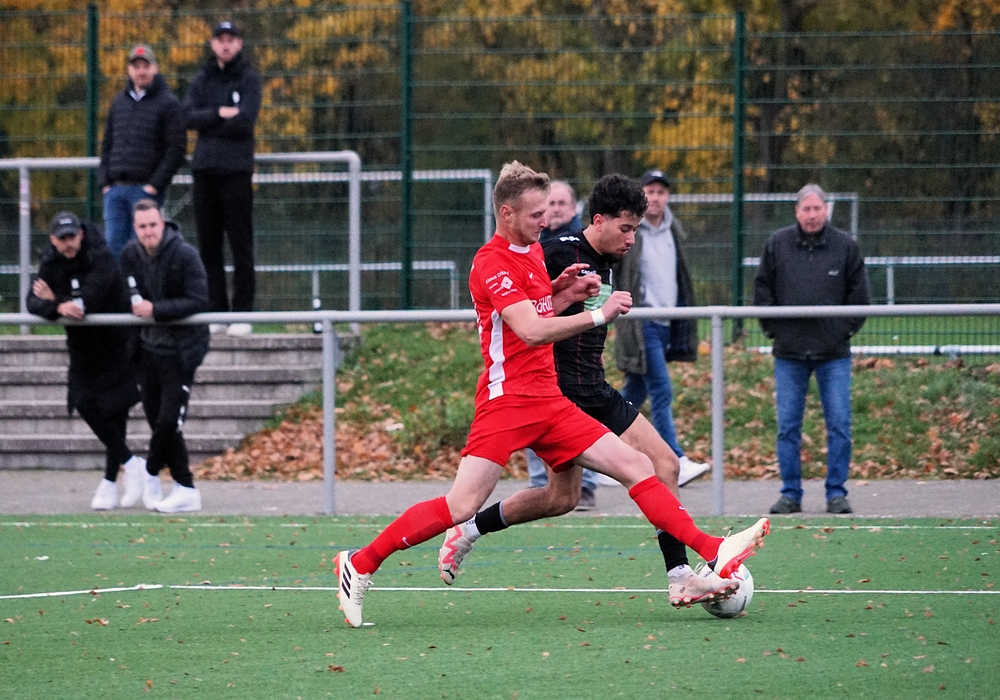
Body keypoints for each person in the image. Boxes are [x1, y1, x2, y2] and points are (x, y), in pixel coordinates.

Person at [334, 162, 770, 628]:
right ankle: (360, 563)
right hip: (507, 402)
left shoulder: (532, 255)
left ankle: (711, 551)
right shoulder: (491, 261)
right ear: (507, 213)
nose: (547, 221)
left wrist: (565, 293)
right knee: (460, 506)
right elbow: (530, 330)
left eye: (547, 211)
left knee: (639, 466)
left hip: (549, 399)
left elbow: (540, 311)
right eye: (536, 214)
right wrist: (598, 313)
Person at [438, 174, 740, 607]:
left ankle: (679, 575)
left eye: (636, 229)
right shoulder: (557, 251)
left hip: (593, 389)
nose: (632, 238)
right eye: (625, 228)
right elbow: (522, 315)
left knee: (645, 471)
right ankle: (468, 527)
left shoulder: (609, 258)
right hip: (557, 395)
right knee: (582, 490)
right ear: (598, 221)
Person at [753, 184, 871, 515]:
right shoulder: (777, 244)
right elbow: (762, 291)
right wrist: (775, 330)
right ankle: (791, 494)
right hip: (789, 354)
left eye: (817, 208)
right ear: (796, 211)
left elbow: (860, 298)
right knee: (788, 427)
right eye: (806, 209)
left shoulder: (845, 246)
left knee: (840, 425)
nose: (812, 215)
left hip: (834, 354)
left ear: (826, 210)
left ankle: (836, 493)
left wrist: (840, 332)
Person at [26, 211, 145, 510]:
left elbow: (86, 303)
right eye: (62, 238)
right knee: (83, 402)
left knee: (116, 412)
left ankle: (110, 482)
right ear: (53, 240)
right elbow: (32, 300)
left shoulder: (100, 256)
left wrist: (55, 298)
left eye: (72, 236)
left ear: (80, 234)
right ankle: (132, 464)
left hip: (116, 343)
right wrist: (58, 305)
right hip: (82, 348)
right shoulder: (50, 261)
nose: (68, 243)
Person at [614, 169, 710, 487]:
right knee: (662, 390)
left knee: (632, 394)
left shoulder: (674, 231)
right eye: (650, 192)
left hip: (668, 322)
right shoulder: (630, 232)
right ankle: (675, 460)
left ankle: (597, 454)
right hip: (642, 322)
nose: (655, 198)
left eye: (660, 192)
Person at [120, 200, 210, 513]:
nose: (148, 232)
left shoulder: (185, 254)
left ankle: (149, 472)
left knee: (168, 422)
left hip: (180, 352)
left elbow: (198, 300)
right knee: (157, 421)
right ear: (135, 229)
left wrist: (156, 310)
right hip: (146, 352)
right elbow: (123, 295)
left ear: (163, 224)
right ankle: (185, 487)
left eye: (152, 225)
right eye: (142, 227)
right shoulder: (130, 255)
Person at [525, 179, 599, 510]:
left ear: (574, 208)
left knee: (582, 412)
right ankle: (539, 481)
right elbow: (531, 314)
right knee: (533, 415)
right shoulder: (532, 249)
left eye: (560, 203)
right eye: (548, 205)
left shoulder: (585, 248)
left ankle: (587, 483)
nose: (553, 211)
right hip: (536, 353)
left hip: (575, 350)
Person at [183, 20, 262, 336]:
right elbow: (187, 117)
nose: (225, 44)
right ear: (213, 43)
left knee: (241, 244)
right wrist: (219, 113)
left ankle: (242, 313)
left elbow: (245, 121)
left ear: (239, 43)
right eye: (220, 39)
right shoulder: (202, 78)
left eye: (231, 39)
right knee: (209, 246)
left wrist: (210, 122)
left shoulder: (249, 78)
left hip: (236, 172)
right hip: (205, 171)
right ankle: (216, 310)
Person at [98, 44, 186, 261]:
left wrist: (154, 185)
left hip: (145, 190)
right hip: (115, 191)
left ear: (155, 68)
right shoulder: (118, 102)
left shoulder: (168, 103)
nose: (141, 71)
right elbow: (107, 145)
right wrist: (105, 183)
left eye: (146, 66)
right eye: (136, 66)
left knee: (141, 251)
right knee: (113, 250)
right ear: (129, 70)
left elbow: (176, 149)